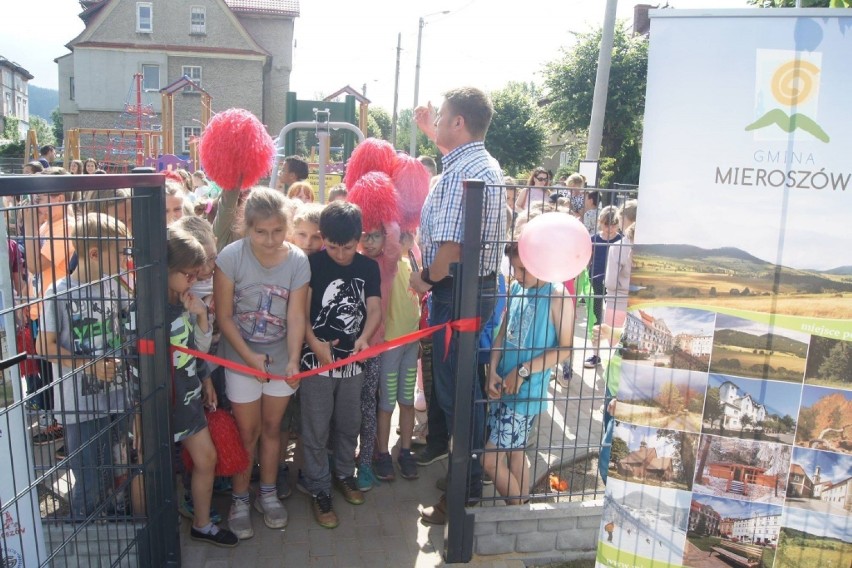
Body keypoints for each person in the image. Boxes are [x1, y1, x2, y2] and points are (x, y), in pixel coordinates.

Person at [409, 87, 506, 524]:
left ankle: (464, 492)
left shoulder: (467, 172)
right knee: (457, 391)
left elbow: (450, 251)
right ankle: (464, 477)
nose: (437, 122)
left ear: (459, 123)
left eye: (443, 116)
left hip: (455, 291)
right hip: (466, 291)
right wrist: (434, 132)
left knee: (456, 396)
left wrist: (422, 279)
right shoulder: (477, 164)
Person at [214, 187, 309, 539]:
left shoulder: (298, 260)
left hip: (281, 360)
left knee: (273, 429)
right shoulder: (230, 257)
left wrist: (294, 359)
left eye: (277, 231)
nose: (270, 240)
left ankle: (267, 493)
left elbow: (296, 315)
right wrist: (249, 357)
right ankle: (240, 498)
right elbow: (224, 316)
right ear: (247, 228)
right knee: (247, 432)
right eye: (260, 232)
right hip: (241, 358)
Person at [295, 201, 381, 529]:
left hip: (353, 363)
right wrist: (315, 344)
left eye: (347, 247)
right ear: (323, 238)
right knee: (315, 426)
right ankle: (318, 487)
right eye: (333, 247)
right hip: (314, 362)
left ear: (358, 238)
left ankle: (344, 474)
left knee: (349, 421)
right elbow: (300, 313)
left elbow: (373, 309)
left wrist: (365, 338)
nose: (341, 255)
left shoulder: (368, 267)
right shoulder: (312, 265)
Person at [41, 213, 130, 520]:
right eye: (120, 252)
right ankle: (86, 526)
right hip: (79, 404)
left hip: (117, 397)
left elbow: (126, 323)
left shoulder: (114, 285)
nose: (125, 258)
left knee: (117, 468)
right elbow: (46, 346)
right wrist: (90, 366)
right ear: (93, 253)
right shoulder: (58, 292)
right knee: (89, 474)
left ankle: (116, 518)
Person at [483, 241, 574, 505]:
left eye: (523, 269)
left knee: (490, 461)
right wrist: (492, 372)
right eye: (514, 268)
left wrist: (523, 371)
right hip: (503, 387)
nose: (517, 276)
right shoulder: (514, 288)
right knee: (515, 451)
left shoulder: (557, 295)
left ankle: (518, 505)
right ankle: (520, 510)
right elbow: (502, 334)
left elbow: (566, 348)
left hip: (525, 395)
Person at [166, 228, 239, 547]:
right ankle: (152, 533)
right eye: (189, 274)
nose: (194, 280)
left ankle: (202, 523)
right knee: (154, 470)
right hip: (162, 404)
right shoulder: (149, 311)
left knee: (206, 459)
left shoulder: (184, 301)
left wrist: (200, 317)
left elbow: (196, 348)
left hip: (189, 398)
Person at [375, 231, 421, 481]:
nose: (409, 238)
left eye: (410, 234)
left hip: (410, 344)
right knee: (386, 402)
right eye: (403, 235)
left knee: (407, 400)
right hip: (390, 346)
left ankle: (405, 450)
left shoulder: (413, 263)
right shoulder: (386, 266)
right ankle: (382, 453)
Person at [584, 206, 621, 369]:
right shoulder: (593, 239)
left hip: (615, 285)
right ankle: (596, 354)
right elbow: (587, 260)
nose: (610, 228)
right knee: (596, 319)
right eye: (607, 224)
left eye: (614, 224)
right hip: (596, 282)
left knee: (615, 321)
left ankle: (616, 354)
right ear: (600, 223)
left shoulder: (621, 241)